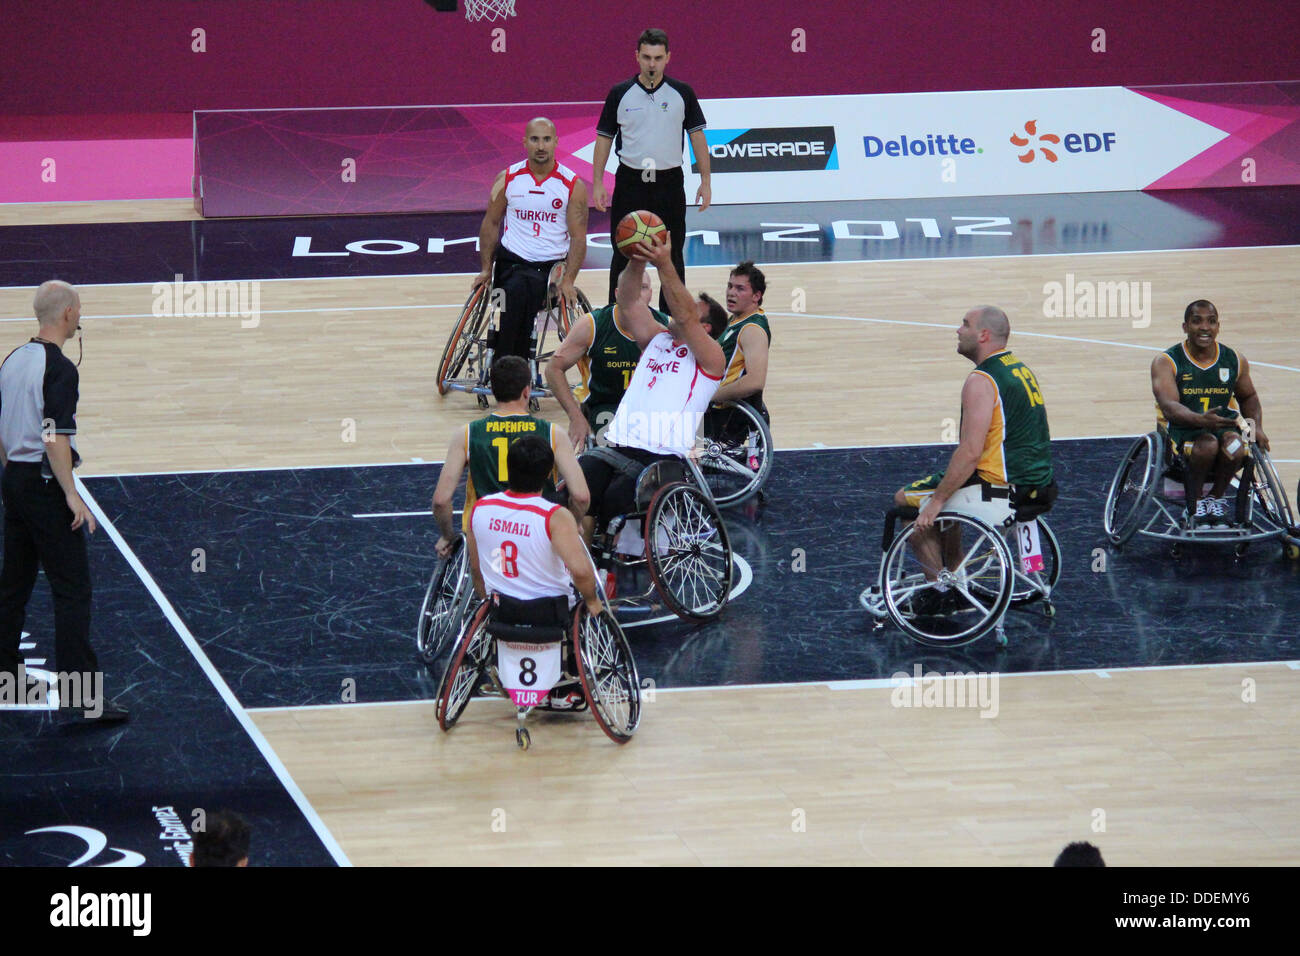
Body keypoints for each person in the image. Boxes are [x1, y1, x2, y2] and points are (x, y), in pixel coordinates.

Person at [0, 280, 126, 723]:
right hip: (42, 485)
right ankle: (81, 695)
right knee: (72, 589)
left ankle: (7, 674)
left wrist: (12, 472)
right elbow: (54, 434)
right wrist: (71, 494)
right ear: (69, 312)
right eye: (79, 310)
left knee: (13, 583)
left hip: (14, 479)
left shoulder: (13, 360)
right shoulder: (60, 369)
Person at [875, 307, 1055, 613]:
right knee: (949, 486)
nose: (958, 330)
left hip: (1001, 487)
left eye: (965, 324)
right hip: (1039, 485)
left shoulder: (982, 380)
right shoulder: (1019, 368)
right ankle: (956, 574)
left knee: (907, 500)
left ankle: (941, 590)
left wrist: (935, 503)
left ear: (983, 335)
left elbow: (970, 452)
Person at [576, 231, 725, 536]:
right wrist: (636, 259)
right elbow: (628, 300)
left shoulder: (711, 358)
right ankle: (581, 569)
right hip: (616, 443)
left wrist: (665, 264)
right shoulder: (657, 338)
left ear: (706, 327)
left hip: (661, 456)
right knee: (573, 494)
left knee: (613, 506)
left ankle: (610, 567)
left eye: (691, 307)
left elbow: (684, 317)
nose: (674, 307)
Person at [467, 436, 604, 708]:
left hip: (500, 609)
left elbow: (476, 569)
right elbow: (581, 572)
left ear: (507, 468)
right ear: (548, 475)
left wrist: (487, 602)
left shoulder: (480, 508)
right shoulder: (554, 516)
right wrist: (592, 601)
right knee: (588, 596)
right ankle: (571, 681)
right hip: (549, 614)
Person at [592, 28, 710, 309]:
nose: (652, 64)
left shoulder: (683, 93)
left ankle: (673, 322)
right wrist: (597, 182)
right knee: (623, 252)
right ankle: (617, 318)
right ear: (637, 57)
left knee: (671, 256)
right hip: (631, 183)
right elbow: (603, 139)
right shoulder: (620, 93)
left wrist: (705, 181)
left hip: (669, 184)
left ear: (668, 57)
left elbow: (697, 138)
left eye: (658, 57)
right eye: (646, 57)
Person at [431, 356, 589, 559]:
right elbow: (581, 496)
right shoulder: (552, 433)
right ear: (527, 390)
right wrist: (573, 523)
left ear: (494, 391)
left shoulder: (467, 434)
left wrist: (447, 536)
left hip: (487, 530)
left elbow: (441, 501)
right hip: (538, 531)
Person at [472, 118, 588, 364]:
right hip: (511, 262)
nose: (541, 146)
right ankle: (512, 365)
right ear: (525, 142)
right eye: (535, 139)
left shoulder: (572, 185)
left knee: (522, 291)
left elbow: (578, 237)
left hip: (549, 268)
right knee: (514, 291)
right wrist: (485, 269)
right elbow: (491, 224)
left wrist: (569, 280)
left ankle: (508, 365)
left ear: (556, 142)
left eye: (546, 139)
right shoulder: (508, 178)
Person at [1151, 299, 1267, 526]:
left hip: (1223, 426)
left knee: (1236, 446)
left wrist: (1257, 428)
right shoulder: (1166, 361)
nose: (1205, 327)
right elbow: (1169, 407)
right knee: (1208, 445)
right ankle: (1193, 505)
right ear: (1185, 327)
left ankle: (1214, 499)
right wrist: (1200, 420)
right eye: (1197, 321)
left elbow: (1248, 397)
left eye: (1211, 322)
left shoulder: (1233, 359)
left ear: (1218, 326)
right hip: (1183, 429)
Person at [543, 266, 672, 450]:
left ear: (651, 294)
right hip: (606, 407)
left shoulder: (666, 326)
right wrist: (575, 417)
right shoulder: (593, 324)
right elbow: (553, 369)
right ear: (618, 294)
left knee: (694, 437)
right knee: (623, 448)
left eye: (642, 288)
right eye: (630, 289)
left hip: (651, 408)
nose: (636, 294)